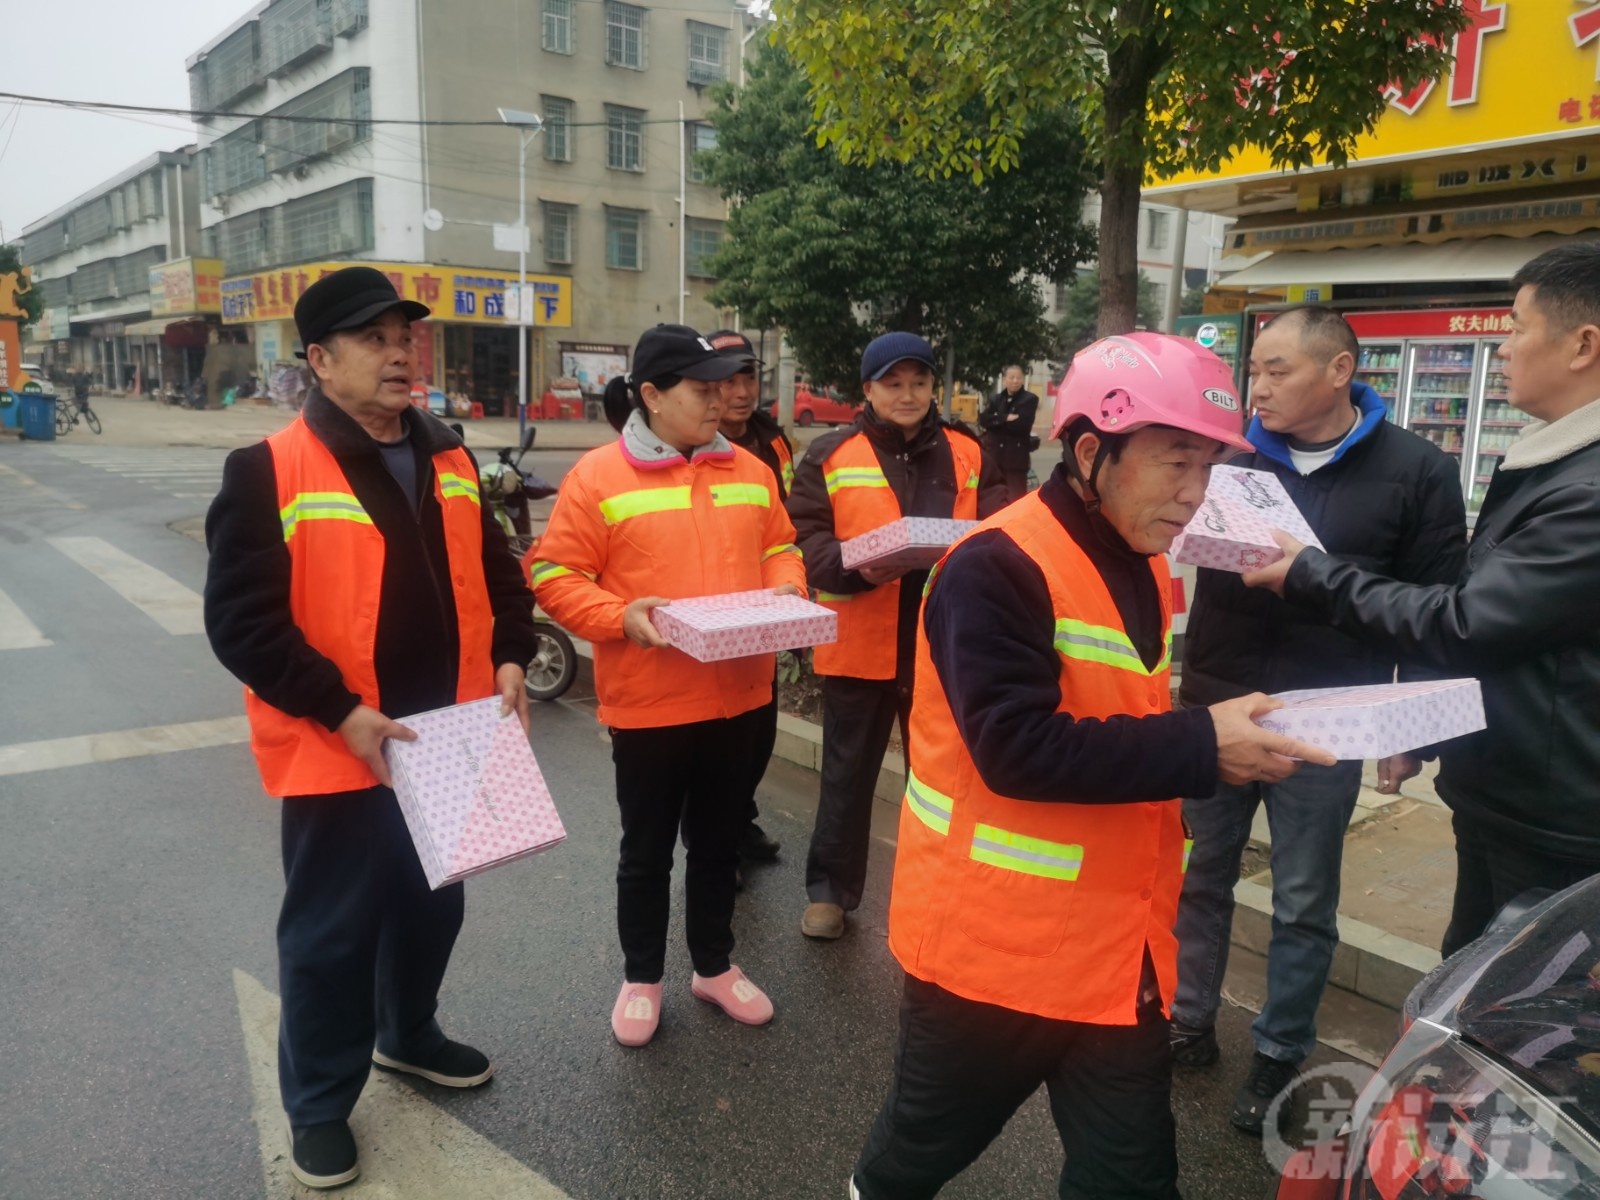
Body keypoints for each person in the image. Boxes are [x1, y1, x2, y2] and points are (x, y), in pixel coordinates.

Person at [849, 333, 1337, 1200]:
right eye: (1176, 462)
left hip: (1119, 953)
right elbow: (1016, 749)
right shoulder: (994, 566)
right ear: (1088, 452)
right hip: (994, 958)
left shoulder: (1141, 560)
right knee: (915, 1157)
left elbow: (1120, 719)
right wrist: (1203, 745)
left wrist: (1222, 743)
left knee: (1132, 1179)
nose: (1196, 493)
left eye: (1209, 467)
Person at [203, 266, 539, 1190]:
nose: (400, 354)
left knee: (435, 905)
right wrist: (340, 710)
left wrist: (512, 653)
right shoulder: (268, 468)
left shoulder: (450, 456)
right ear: (320, 359)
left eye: (405, 337)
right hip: (343, 743)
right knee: (333, 934)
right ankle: (318, 1104)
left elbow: (499, 571)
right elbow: (242, 623)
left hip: (452, 735)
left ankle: (408, 1033)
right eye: (374, 339)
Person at [1244, 243, 1600, 961]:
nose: (1502, 348)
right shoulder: (1552, 462)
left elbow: (1465, 620)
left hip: (1552, 818)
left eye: (1516, 326)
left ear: (1583, 345)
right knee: (1468, 976)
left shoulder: (1584, 490)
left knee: (1505, 1002)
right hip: (1512, 793)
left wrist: (1310, 573)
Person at [1169, 306, 1467, 1134]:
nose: (1257, 387)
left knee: (1303, 900)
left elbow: (1434, 606)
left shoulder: (1417, 470)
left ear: (1339, 371)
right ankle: (1188, 1022)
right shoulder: (1228, 453)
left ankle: (1278, 1052)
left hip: (1328, 719)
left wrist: (1412, 734)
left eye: (1277, 370)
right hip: (1220, 703)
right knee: (1198, 877)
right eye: (1253, 370)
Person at [529, 324, 807, 1047]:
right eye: (702, 388)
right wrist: (619, 617)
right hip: (650, 703)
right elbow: (555, 573)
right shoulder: (598, 477)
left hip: (740, 696)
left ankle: (714, 966)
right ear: (651, 395)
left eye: (727, 385)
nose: (722, 399)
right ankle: (642, 978)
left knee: (719, 844)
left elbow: (780, 546)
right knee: (646, 851)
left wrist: (787, 588)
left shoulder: (750, 470)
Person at [788, 332, 1008, 941]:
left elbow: (1003, 528)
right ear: (868, 390)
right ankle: (829, 893)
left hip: (944, 646)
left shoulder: (969, 451)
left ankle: (942, 890)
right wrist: (855, 568)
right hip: (860, 641)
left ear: (934, 386)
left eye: (919, 382)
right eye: (893, 384)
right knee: (846, 777)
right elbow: (803, 540)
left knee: (942, 780)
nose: (907, 394)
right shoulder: (831, 455)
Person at [707, 328, 793, 866]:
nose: (741, 392)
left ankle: (740, 821)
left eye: (748, 378)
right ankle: (717, 848)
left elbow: (786, 520)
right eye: (728, 380)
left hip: (765, 611)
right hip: (709, 611)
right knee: (715, 741)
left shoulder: (772, 439)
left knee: (760, 733)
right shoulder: (693, 439)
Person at [978, 363, 1040, 501]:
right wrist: (1005, 418)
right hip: (995, 458)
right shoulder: (996, 399)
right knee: (993, 499)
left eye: (1018, 378)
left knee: (1015, 500)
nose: (1015, 381)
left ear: (1023, 379)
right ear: (1004, 379)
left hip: (1016, 461)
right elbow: (983, 420)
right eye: (1011, 377)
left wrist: (996, 421)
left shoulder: (1029, 399)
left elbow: (1021, 426)